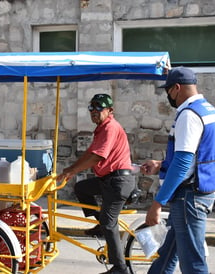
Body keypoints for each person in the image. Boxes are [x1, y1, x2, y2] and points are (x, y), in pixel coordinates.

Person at [140, 67, 215, 274]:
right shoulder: (209, 110)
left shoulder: (189, 115)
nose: (168, 96)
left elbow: (184, 163)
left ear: (176, 88)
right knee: (166, 257)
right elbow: (198, 156)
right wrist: (161, 165)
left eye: (168, 91)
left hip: (189, 198)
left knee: (193, 264)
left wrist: (157, 203)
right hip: (200, 192)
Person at [57, 93, 135, 274]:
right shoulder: (101, 128)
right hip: (108, 180)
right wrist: (69, 170)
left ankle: (120, 268)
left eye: (99, 107)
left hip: (118, 182)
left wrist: (73, 170)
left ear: (110, 110)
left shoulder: (110, 128)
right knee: (81, 188)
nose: (94, 111)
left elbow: (98, 156)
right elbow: (89, 154)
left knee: (109, 223)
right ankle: (100, 224)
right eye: (91, 108)